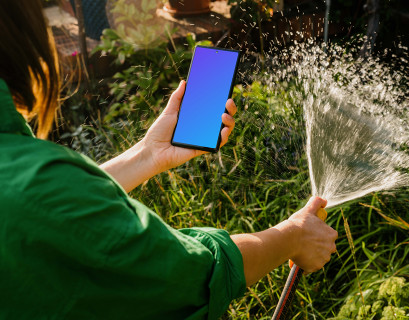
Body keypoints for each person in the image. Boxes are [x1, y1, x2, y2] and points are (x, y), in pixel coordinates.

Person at [0, 0, 338, 319]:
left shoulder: (26, 178)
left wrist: (147, 155)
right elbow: (189, 276)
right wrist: (293, 236)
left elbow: (56, 208)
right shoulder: (36, 188)